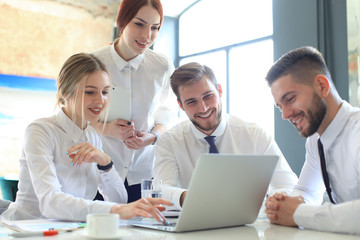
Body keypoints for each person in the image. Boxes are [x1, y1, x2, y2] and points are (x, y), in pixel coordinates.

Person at [1, 53, 172, 223]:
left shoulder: (92, 135)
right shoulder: (40, 131)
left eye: (105, 92)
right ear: (65, 92)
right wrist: (118, 210)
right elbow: (50, 203)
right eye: (90, 92)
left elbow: (119, 200)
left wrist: (106, 163)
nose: (100, 100)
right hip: (26, 229)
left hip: (71, 231)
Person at [153, 62, 298, 210]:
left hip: (252, 225)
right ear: (181, 105)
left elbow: (287, 183)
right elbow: (159, 191)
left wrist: (273, 200)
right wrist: (190, 197)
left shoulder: (254, 134)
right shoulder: (169, 142)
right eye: (191, 102)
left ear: (219, 91)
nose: (203, 108)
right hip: (195, 226)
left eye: (208, 96)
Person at [264, 46, 360, 235]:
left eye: (290, 98)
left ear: (322, 86)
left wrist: (299, 213)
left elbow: (301, 210)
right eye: (279, 106)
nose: (284, 115)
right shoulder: (316, 141)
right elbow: (307, 192)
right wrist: (282, 204)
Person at [91, 0, 178, 203]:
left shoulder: (162, 66)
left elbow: (169, 112)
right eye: (139, 24)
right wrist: (106, 129)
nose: (147, 35)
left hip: (143, 176)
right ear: (122, 22)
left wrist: (153, 136)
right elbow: (72, 116)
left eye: (155, 28)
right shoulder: (92, 62)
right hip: (97, 175)